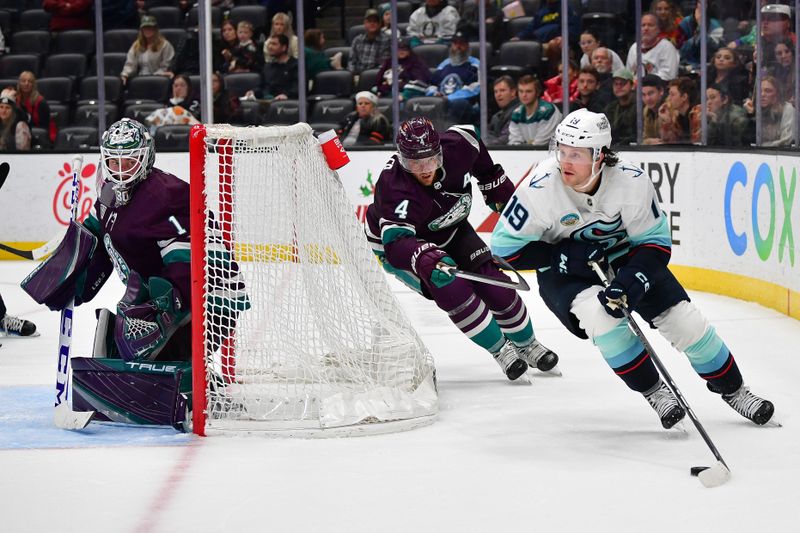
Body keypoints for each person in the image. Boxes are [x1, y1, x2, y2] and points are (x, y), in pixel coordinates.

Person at [490, 108, 775, 428]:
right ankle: (655, 392)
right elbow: (504, 251)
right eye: (562, 151)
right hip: (565, 271)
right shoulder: (539, 188)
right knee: (605, 323)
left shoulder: (630, 180)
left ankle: (736, 391)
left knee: (684, 322)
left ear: (599, 156)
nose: (565, 162)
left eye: (576, 154)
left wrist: (632, 280)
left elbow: (655, 243)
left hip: (625, 258)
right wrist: (564, 255)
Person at [22, 118, 248, 427]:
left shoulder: (166, 195)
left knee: (136, 333)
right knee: (117, 336)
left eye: (128, 159)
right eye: (113, 160)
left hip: (214, 298)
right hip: (161, 295)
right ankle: (181, 375)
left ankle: (196, 386)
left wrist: (161, 311)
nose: (120, 167)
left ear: (146, 158)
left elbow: (187, 267)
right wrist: (74, 274)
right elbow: (99, 239)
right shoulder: (107, 192)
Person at [364, 118, 559, 380]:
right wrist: (424, 257)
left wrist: (492, 180)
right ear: (402, 159)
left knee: (495, 285)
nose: (424, 170)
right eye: (415, 163)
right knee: (450, 287)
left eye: (430, 161)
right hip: (402, 245)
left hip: (452, 228)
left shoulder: (459, 145)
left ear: (440, 153)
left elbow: (473, 137)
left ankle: (529, 344)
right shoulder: (394, 186)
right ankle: (501, 351)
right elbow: (396, 244)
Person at [120, 15, 175, 85]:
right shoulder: (136, 45)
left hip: (158, 80)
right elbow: (130, 64)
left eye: (150, 28)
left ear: (155, 29)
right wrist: (125, 74)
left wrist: (153, 77)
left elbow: (166, 66)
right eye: (145, 28)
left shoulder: (165, 45)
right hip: (139, 79)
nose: (147, 30)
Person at [508, 75, 561, 146]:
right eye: (521, 91)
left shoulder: (548, 111)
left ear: (538, 92)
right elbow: (514, 142)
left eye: (528, 91)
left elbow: (541, 143)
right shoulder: (516, 113)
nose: (524, 95)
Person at [626, 12, 679, 81]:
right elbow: (629, 74)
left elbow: (669, 76)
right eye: (643, 25)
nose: (646, 28)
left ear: (658, 29)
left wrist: (644, 81)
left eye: (650, 25)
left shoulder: (667, 47)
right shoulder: (634, 47)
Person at [744, 75, 795, 147]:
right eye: (759, 91)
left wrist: (763, 147)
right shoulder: (755, 109)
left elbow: (787, 141)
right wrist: (752, 115)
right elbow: (748, 140)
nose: (762, 94)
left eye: (768, 91)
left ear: (777, 94)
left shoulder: (787, 109)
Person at [349, 8, 390, 75]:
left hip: (378, 76)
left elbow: (384, 64)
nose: (372, 23)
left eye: (375, 21)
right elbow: (351, 62)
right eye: (369, 21)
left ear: (380, 24)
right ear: (364, 23)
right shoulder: (357, 40)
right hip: (358, 76)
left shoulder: (387, 40)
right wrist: (353, 75)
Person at [15, 71, 52, 143]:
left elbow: (43, 128)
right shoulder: (15, 100)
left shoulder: (41, 102)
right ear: (19, 83)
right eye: (23, 81)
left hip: (36, 137)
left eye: (30, 81)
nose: (26, 83)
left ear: (34, 84)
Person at [483, 76, 519, 146]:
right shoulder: (495, 117)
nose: (498, 95)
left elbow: (506, 138)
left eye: (502, 90)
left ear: (513, 92)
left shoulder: (519, 112)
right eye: (495, 91)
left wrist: (486, 146)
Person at [603, 68, 636, 145]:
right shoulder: (610, 108)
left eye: (623, 83)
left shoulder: (639, 106)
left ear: (632, 85)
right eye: (615, 84)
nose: (619, 86)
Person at [261, 34, 298, 101]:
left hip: (288, 103)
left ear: (284, 47)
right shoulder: (267, 66)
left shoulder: (296, 66)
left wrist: (287, 95)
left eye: (274, 44)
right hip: (268, 102)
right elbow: (262, 86)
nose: (270, 47)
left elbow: (298, 87)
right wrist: (253, 92)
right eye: (269, 44)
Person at [641, 74, 666, 144]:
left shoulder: (670, 109)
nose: (647, 99)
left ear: (661, 91)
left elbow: (669, 141)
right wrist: (648, 142)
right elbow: (645, 138)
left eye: (651, 93)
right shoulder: (646, 110)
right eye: (643, 94)